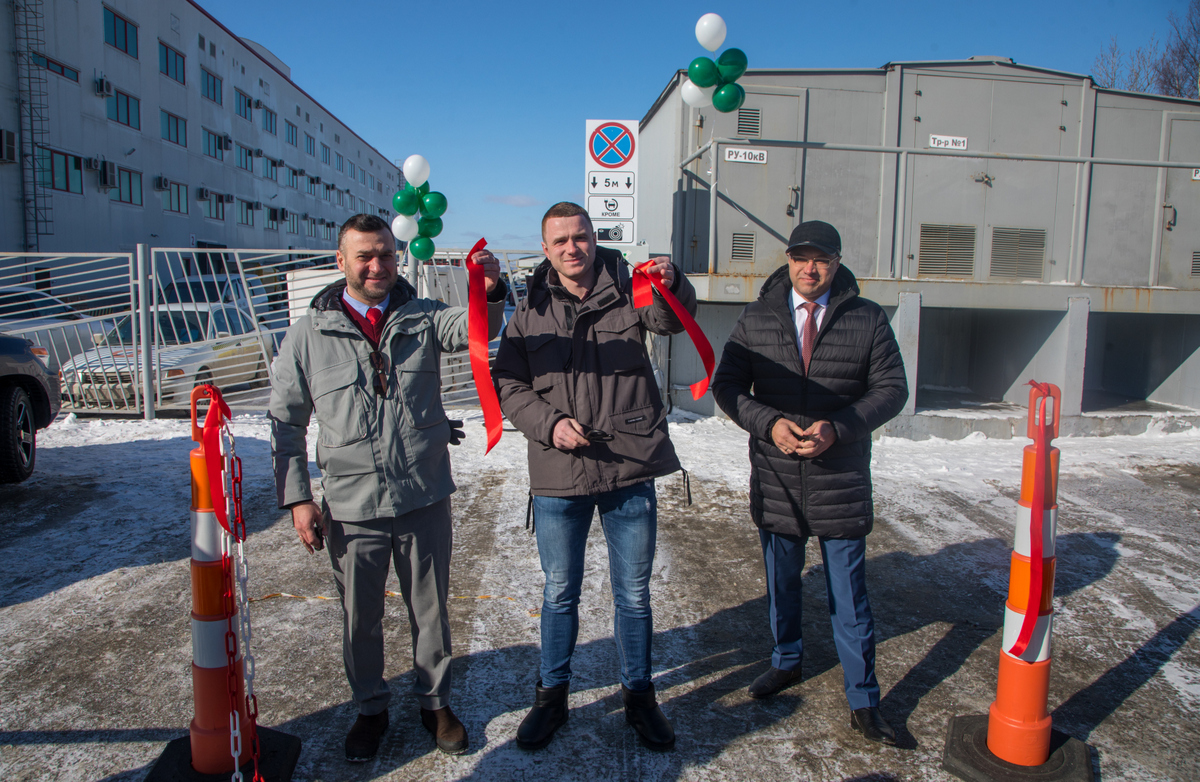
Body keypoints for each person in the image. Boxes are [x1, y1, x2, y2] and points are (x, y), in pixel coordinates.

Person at [269, 213, 506, 761]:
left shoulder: (422, 317)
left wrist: (489, 290)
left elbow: (476, 329)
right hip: (352, 505)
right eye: (364, 256)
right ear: (341, 262)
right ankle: (371, 709)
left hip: (422, 495)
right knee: (360, 617)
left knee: (431, 609)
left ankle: (434, 702)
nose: (377, 265)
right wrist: (299, 497)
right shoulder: (309, 334)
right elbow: (285, 421)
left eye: (385, 254)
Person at [491, 201, 696, 752]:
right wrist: (548, 425)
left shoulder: (631, 285)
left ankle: (640, 698)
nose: (571, 249)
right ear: (545, 248)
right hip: (560, 472)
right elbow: (507, 381)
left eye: (579, 237)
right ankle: (551, 697)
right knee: (560, 592)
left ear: (592, 236)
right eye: (559, 242)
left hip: (629, 463)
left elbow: (671, 321)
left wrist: (675, 282)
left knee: (633, 594)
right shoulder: (529, 308)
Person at [711, 220, 908, 745]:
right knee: (782, 583)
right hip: (777, 477)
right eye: (801, 257)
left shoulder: (866, 319)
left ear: (838, 263)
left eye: (821, 258)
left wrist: (839, 429)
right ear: (789, 259)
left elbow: (893, 389)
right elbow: (726, 386)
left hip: (839, 476)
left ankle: (864, 699)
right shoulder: (757, 317)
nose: (810, 268)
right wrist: (768, 423)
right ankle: (786, 661)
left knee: (850, 596)